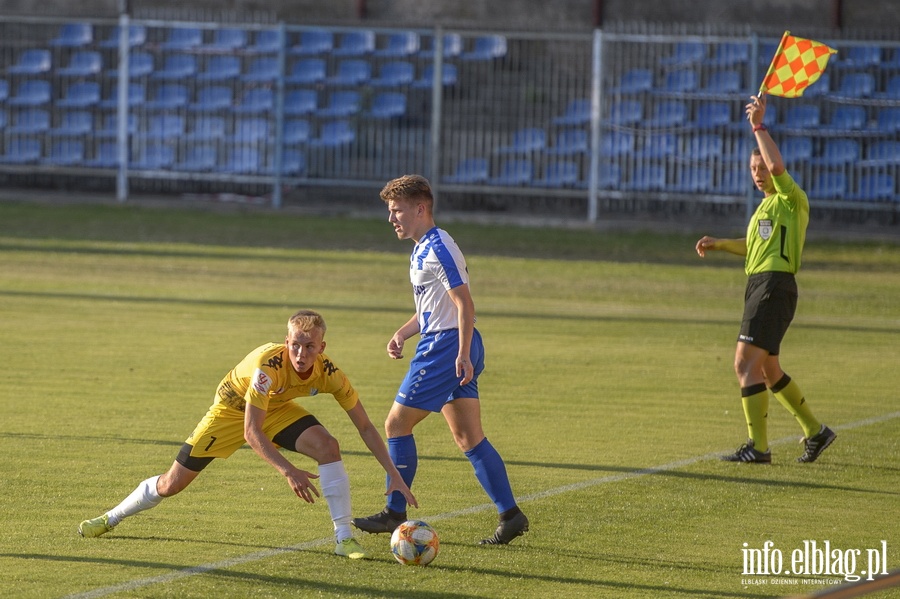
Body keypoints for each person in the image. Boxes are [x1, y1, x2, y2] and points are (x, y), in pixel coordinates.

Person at [78, 309, 417, 559]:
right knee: (171, 485)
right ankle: (111, 517)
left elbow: (366, 427)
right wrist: (289, 470)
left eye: (309, 347)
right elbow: (251, 431)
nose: (301, 354)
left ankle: (344, 538)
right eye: (296, 345)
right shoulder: (267, 368)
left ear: (322, 346)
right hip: (231, 410)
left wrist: (393, 475)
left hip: (277, 408)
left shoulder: (330, 374)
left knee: (328, 447)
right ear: (287, 342)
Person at [352, 174, 529, 545]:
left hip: (447, 347)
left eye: (397, 210)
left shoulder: (438, 247)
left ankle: (394, 512)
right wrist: (403, 332)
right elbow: (434, 308)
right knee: (469, 436)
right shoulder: (422, 247)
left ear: (420, 209)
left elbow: (464, 303)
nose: (391, 219)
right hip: (451, 342)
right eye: (389, 211)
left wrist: (462, 353)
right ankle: (510, 515)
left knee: (396, 424)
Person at [695, 94, 836, 464]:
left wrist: (758, 125)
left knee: (744, 364)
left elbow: (777, 167)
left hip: (774, 285)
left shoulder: (791, 198)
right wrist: (719, 244)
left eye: (761, 168)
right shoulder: (765, 208)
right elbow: (754, 247)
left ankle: (758, 447)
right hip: (762, 284)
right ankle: (816, 432)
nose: (759, 174)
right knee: (769, 370)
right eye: (753, 169)